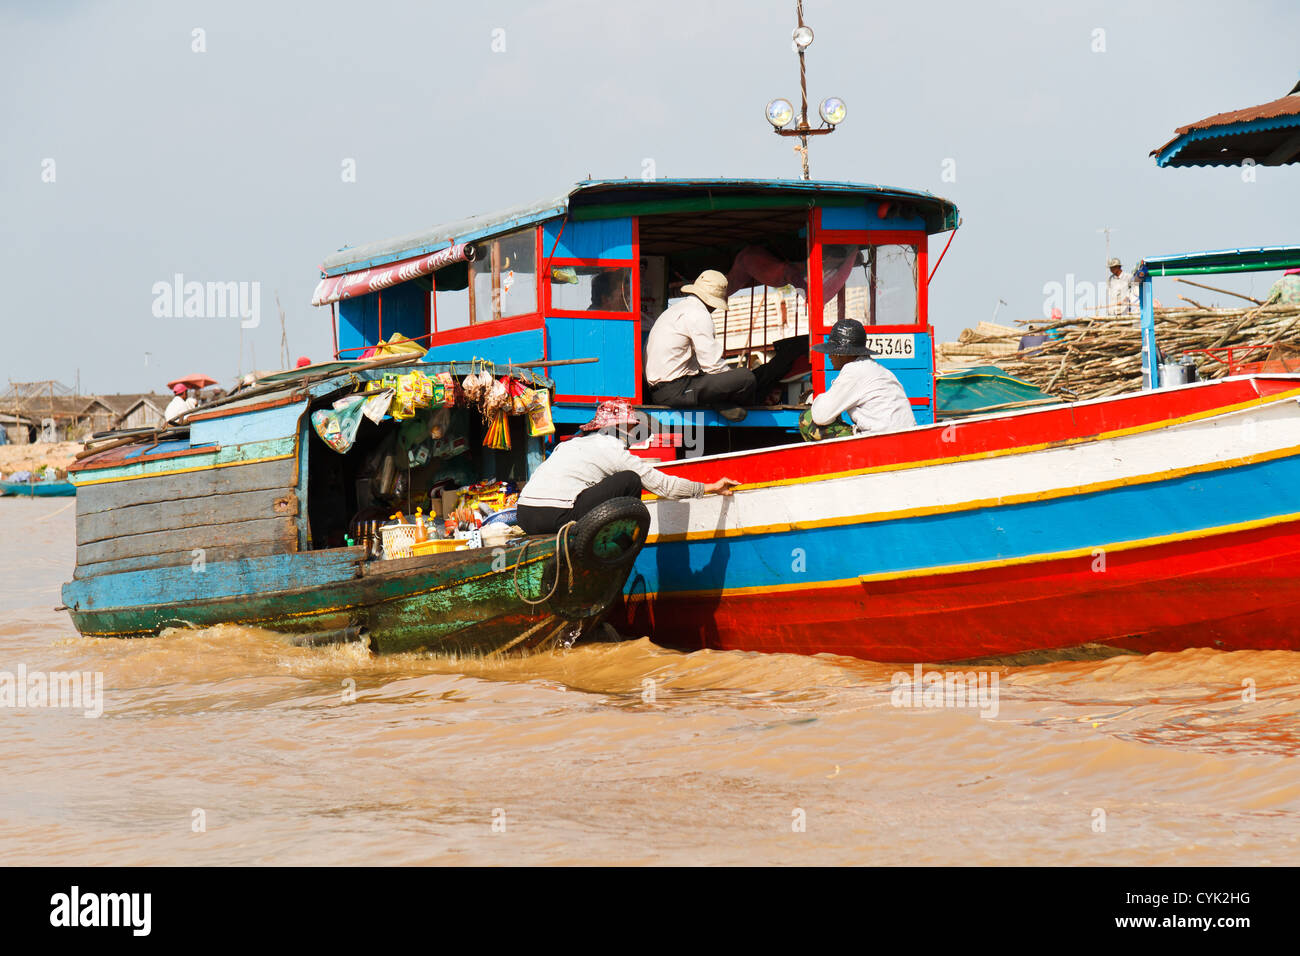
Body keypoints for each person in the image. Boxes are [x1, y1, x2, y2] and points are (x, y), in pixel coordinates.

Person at [516, 399, 740, 535]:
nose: (635, 432)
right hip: (555, 515)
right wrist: (709, 487)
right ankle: (619, 545)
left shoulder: (569, 445)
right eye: (632, 426)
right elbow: (663, 486)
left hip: (524, 514)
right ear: (621, 427)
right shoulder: (612, 449)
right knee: (630, 479)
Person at [645, 270, 799, 422]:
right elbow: (713, 366)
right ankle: (744, 403)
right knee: (746, 378)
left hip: (667, 389)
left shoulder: (675, 310)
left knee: (743, 378)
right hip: (676, 390)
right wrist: (733, 384)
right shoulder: (698, 314)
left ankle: (720, 402)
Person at [804, 319, 915, 439]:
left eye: (833, 352)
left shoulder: (853, 370)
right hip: (907, 436)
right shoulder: (879, 369)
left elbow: (821, 415)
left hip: (882, 440)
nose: (830, 356)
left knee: (807, 419)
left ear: (842, 354)